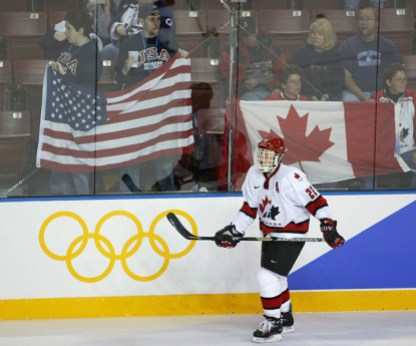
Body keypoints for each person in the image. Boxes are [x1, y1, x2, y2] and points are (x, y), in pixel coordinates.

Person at [214, 136, 345, 343]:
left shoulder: (292, 177)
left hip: (291, 235)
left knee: (267, 276)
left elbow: (317, 202)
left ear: (280, 156)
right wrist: (235, 230)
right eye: (261, 154)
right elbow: (250, 207)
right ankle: (285, 317)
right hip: (269, 235)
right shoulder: (253, 174)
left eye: (269, 155)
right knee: (277, 278)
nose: (263, 159)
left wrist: (327, 224)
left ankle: (273, 324)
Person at [115, 3, 187, 192]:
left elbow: (177, 74)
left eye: (158, 18)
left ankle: (167, 196)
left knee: (163, 156)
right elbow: (120, 77)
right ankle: (129, 198)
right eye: (151, 18)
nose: (156, 22)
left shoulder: (168, 40)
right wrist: (125, 68)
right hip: (137, 105)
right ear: (141, 20)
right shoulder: (130, 43)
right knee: (132, 155)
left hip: (162, 105)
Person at [39, 10, 103, 195]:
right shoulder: (67, 46)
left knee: (78, 169)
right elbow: (43, 42)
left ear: (81, 30)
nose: (66, 32)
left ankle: (84, 209)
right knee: (59, 166)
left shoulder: (92, 52)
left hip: (80, 118)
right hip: (63, 116)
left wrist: (65, 75)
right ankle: (59, 208)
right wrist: (56, 34)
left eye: (69, 28)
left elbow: (90, 85)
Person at [340, 6, 403, 102]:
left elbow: (398, 73)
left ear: (377, 23)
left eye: (369, 19)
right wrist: (363, 97)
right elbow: (346, 77)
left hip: (382, 93)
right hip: (355, 94)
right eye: (361, 19)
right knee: (350, 101)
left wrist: (383, 94)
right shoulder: (347, 46)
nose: (364, 23)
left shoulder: (388, 46)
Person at [370, 63, 416, 188]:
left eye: (404, 79)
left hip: (409, 152)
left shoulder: (413, 98)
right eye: (399, 80)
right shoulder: (376, 100)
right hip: (384, 154)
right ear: (389, 82)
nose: (403, 83)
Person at [219, 16, 286, 101]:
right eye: (245, 36)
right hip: (246, 93)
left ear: (256, 32)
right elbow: (226, 79)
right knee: (252, 99)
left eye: (251, 34)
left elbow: (282, 70)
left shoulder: (269, 47)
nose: (249, 38)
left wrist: (277, 87)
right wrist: (243, 86)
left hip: (271, 91)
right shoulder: (232, 52)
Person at [101, 0, 177, 60]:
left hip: (149, 49)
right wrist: (117, 26)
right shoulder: (131, 7)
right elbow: (113, 21)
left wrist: (138, 37)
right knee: (108, 50)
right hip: (124, 46)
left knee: (132, 57)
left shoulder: (163, 11)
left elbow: (167, 35)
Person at [290, 18, 345, 101]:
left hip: (330, 94)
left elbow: (338, 80)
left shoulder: (335, 54)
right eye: (314, 33)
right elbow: (298, 76)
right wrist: (311, 95)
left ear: (328, 37)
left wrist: (326, 95)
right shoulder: (302, 52)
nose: (316, 36)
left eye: (320, 34)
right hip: (306, 93)